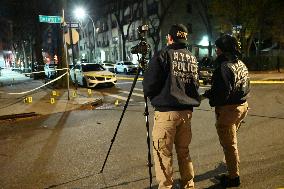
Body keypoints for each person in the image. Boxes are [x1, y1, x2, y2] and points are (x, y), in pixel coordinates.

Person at [143, 24, 200, 189]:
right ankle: (188, 184)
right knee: (184, 152)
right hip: (186, 113)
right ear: (185, 38)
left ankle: (166, 186)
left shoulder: (164, 54)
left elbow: (149, 85)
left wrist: (155, 97)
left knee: (163, 154)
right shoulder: (191, 57)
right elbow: (195, 86)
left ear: (169, 38)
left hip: (167, 113)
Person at [203, 34, 250, 187]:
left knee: (229, 145)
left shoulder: (223, 67)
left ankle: (233, 177)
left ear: (224, 49)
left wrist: (211, 98)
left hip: (229, 111)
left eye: (218, 48)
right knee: (231, 142)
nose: (216, 51)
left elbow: (221, 94)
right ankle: (232, 166)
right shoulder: (240, 64)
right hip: (243, 107)